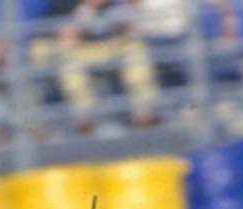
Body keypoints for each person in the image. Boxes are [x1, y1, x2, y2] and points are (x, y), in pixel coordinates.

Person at [38, 0, 160, 131]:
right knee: (69, 63)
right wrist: (77, 20)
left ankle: (143, 113)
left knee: (136, 50)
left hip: (114, 43)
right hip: (81, 47)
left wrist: (124, 24)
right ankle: (85, 118)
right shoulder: (65, 3)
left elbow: (134, 23)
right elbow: (55, 32)